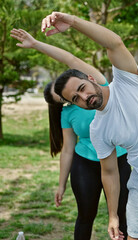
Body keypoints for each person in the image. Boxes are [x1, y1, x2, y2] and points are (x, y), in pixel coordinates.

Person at [40, 11, 138, 240]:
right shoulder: (98, 129)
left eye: (81, 89)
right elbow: (109, 173)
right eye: (75, 99)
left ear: (90, 79)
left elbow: (114, 43)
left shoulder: (127, 80)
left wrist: (72, 21)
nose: (84, 98)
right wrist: (112, 216)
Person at [10, 28, 131, 239]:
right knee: (85, 216)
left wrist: (36, 44)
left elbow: (70, 59)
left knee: (124, 215)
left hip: (119, 159)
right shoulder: (69, 112)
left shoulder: (96, 88)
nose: (75, 96)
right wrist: (61, 183)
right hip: (86, 164)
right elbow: (67, 150)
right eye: (63, 97)